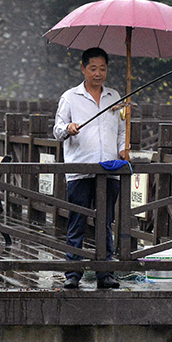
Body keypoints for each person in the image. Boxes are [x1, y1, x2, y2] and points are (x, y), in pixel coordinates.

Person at [53, 47, 128, 289]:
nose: (98, 73)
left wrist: (124, 149)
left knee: (106, 222)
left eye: (103, 68)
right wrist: (68, 129)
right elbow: (57, 129)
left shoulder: (114, 96)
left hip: (109, 169)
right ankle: (72, 273)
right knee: (78, 221)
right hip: (80, 169)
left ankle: (105, 272)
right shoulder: (70, 97)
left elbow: (121, 131)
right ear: (83, 68)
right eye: (93, 68)